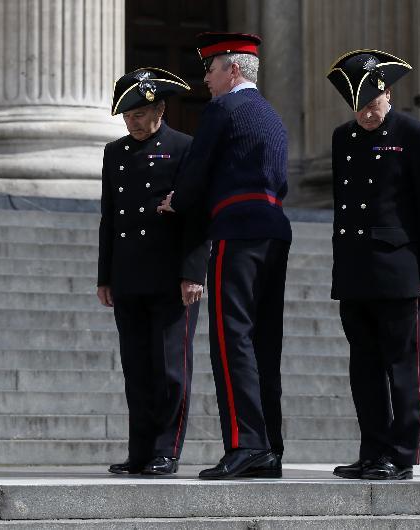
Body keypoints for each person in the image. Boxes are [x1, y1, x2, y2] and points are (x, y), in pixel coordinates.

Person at [158, 32, 291, 479]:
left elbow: (196, 173)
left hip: (237, 230)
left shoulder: (223, 109)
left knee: (230, 339)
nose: (206, 80)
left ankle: (246, 443)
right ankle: (269, 446)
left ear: (232, 70)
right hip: (274, 229)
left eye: (211, 70)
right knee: (262, 342)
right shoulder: (272, 115)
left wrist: (177, 201)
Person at [325, 50, 420, 480]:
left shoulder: (414, 134)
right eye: (357, 106)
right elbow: (344, 206)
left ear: (388, 92)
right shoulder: (344, 137)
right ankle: (372, 450)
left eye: (371, 103)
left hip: (399, 269)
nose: (365, 114)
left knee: (401, 367)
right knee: (364, 368)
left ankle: (401, 453)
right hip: (356, 270)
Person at [98, 68, 208, 476]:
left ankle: (167, 450)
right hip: (128, 274)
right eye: (128, 114)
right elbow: (109, 216)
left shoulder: (185, 147)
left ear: (160, 108)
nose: (134, 120)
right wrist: (104, 275)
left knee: (170, 368)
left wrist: (193, 272)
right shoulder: (115, 152)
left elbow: (197, 215)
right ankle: (140, 450)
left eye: (141, 112)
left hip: (170, 277)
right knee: (137, 368)